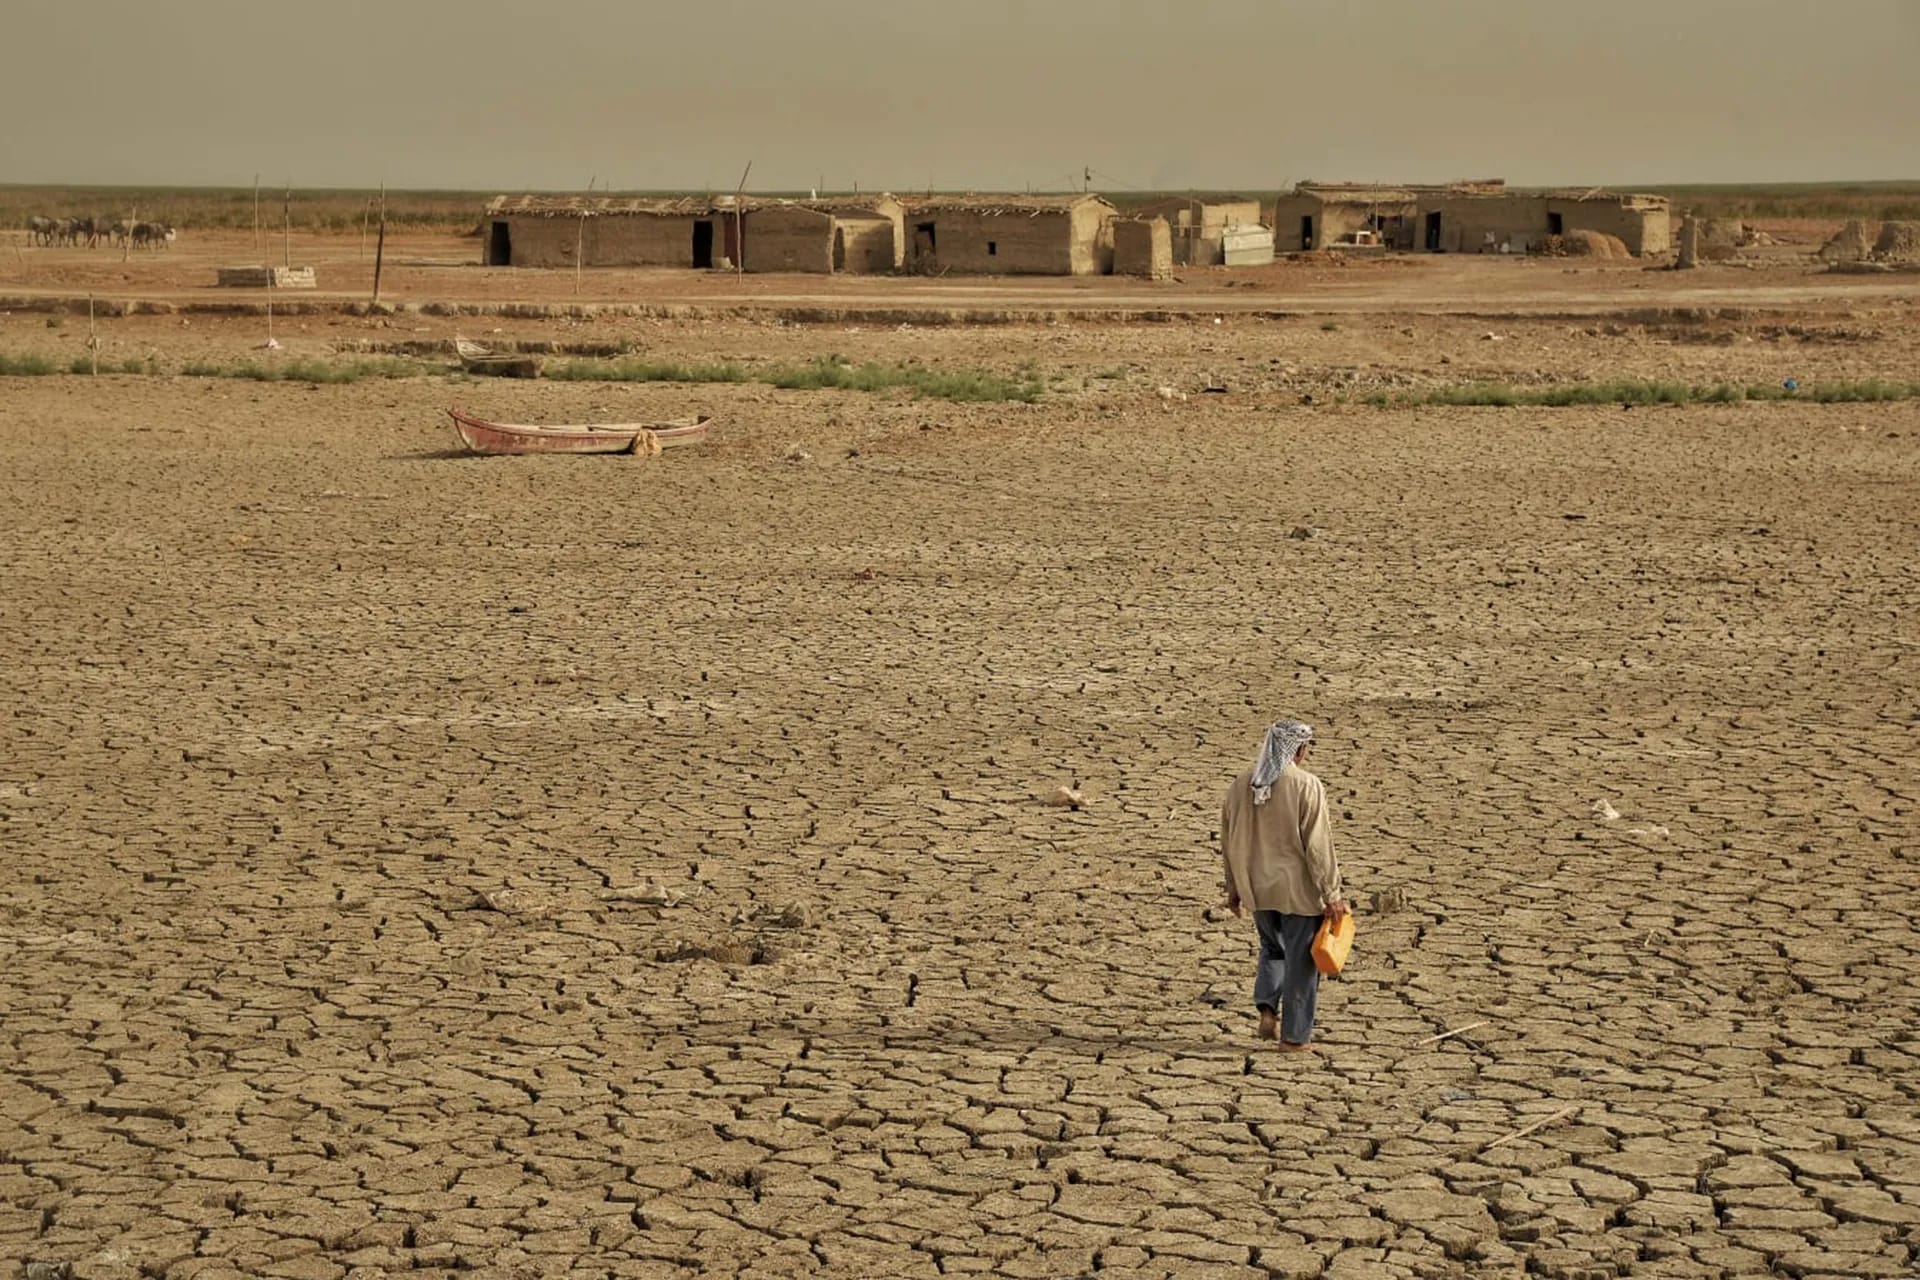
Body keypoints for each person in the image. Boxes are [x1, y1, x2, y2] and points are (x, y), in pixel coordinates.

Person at [1220, 719, 1349, 1052]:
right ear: (1300, 750)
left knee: (1272, 949)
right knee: (1302, 963)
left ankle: (1266, 1008)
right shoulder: (1306, 785)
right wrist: (1332, 893)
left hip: (1257, 889)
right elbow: (1318, 846)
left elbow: (1229, 839)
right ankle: (1294, 1038)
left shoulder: (1241, 784)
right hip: (1296, 892)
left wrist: (1233, 886)